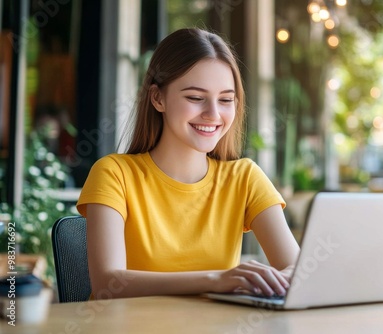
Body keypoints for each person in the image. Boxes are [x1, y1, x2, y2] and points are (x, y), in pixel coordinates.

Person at [76, 28, 300, 300]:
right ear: (158, 98)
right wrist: (215, 279)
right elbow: (108, 283)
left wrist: (280, 279)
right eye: (195, 98)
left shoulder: (245, 177)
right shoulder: (114, 173)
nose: (213, 114)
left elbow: (299, 272)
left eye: (226, 100)